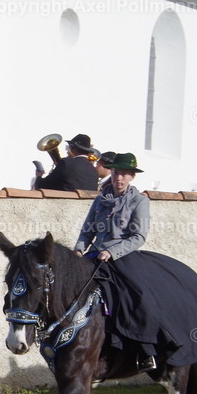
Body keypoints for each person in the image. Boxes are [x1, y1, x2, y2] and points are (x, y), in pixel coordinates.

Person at [72, 152, 154, 370]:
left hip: (122, 256)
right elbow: (87, 229)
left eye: (125, 174)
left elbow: (139, 237)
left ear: (132, 177)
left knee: (134, 296)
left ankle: (145, 350)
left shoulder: (140, 201)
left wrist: (113, 252)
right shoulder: (100, 199)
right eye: (117, 173)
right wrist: (79, 250)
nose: (119, 178)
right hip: (96, 254)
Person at [34, 133, 99, 192]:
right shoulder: (94, 171)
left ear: (73, 148)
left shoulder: (66, 163)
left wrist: (39, 176)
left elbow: (43, 185)